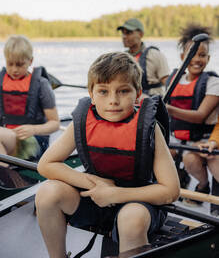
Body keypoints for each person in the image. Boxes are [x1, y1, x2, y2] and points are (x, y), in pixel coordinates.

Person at [35, 52, 180, 258]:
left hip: (139, 201)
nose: (113, 100)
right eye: (103, 91)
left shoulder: (149, 128)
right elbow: (46, 165)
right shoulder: (82, 122)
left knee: (132, 218)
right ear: (91, 94)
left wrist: (115, 194)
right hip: (96, 196)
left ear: (138, 93)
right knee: (47, 192)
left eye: (123, 91)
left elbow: (171, 191)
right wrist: (95, 183)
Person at [166, 24, 219, 203]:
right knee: (155, 153)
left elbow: (200, 115)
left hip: (202, 139)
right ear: (183, 57)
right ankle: (174, 185)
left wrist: (169, 109)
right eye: (192, 54)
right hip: (177, 138)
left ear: (208, 58)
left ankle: (203, 187)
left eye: (202, 55)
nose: (197, 59)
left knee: (192, 159)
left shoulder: (212, 82)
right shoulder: (173, 79)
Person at [0, 35, 59, 184]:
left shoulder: (41, 84)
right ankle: (8, 175)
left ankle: (10, 180)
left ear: (30, 61)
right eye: (10, 64)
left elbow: (55, 124)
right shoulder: (1, 81)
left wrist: (33, 129)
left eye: (20, 64)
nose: (14, 69)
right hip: (7, 139)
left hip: (33, 141)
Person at [117, 18, 169, 96]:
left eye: (128, 33)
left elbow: (167, 82)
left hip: (153, 101)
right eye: (123, 33)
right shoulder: (120, 58)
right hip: (130, 101)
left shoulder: (155, 55)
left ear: (141, 34)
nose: (124, 37)